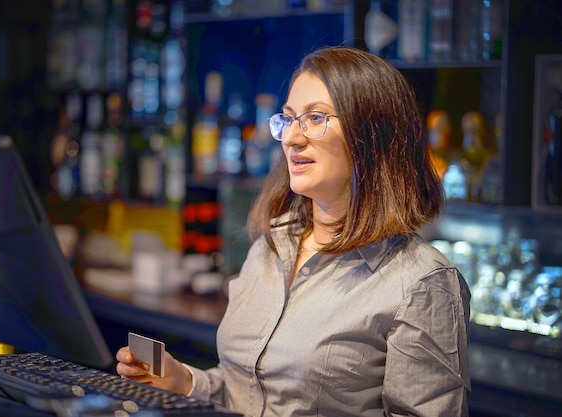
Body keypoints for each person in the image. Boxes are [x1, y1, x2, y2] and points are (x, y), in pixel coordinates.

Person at [116, 46, 471, 417]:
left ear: (374, 134)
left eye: (315, 118)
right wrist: (185, 383)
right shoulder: (271, 246)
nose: (291, 139)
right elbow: (245, 392)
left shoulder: (422, 283)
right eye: (287, 120)